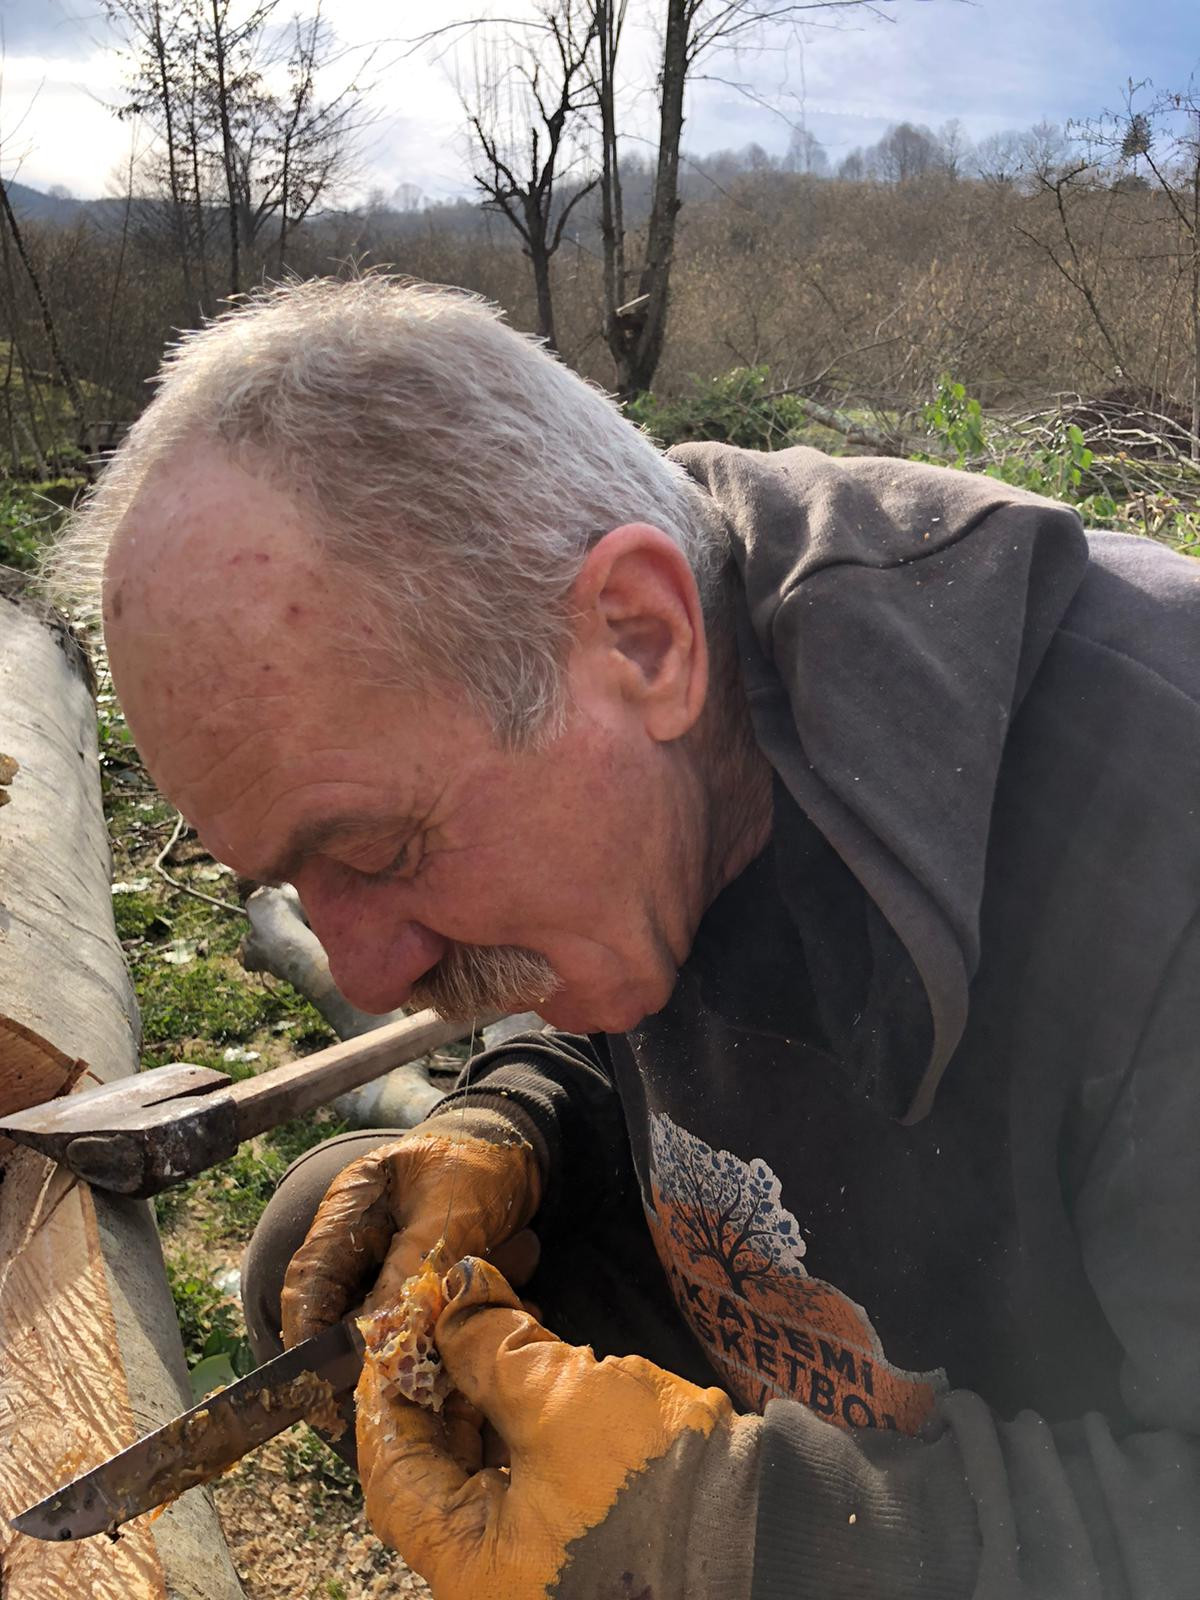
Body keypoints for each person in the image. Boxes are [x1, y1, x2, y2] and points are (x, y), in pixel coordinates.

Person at [51, 277, 1200, 1599]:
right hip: (827, 1373)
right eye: (296, 887)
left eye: (377, 853)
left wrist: (754, 1537)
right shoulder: (629, 705)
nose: (365, 974)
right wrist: (514, 1121)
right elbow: (618, 1026)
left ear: (644, 638)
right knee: (334, 1257)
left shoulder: (1157, 818)